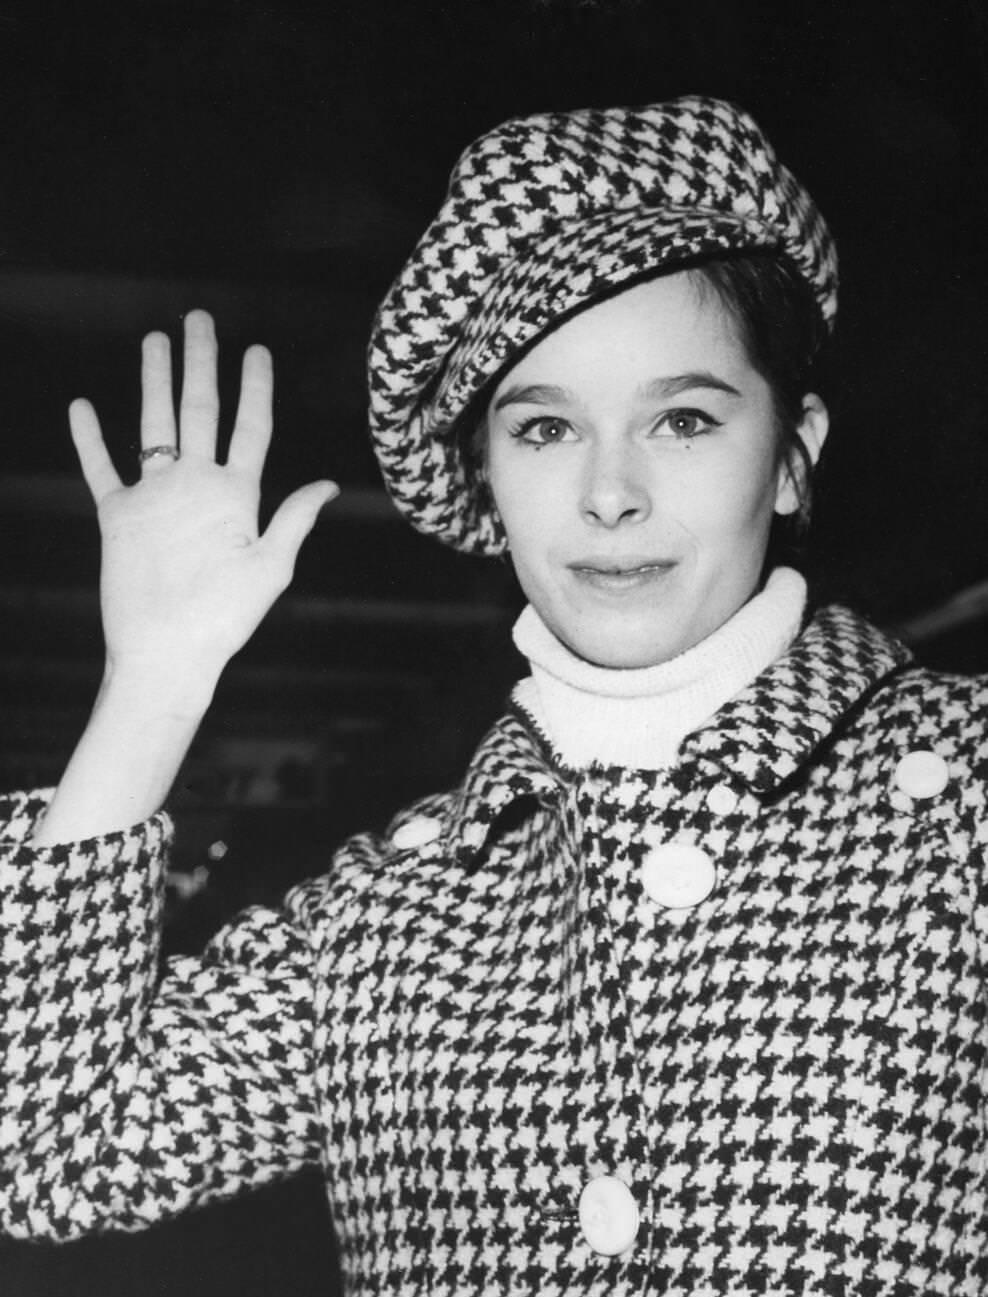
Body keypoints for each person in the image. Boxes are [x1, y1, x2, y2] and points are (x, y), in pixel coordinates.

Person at [1, 94, 986, 1297]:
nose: (608, 494)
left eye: (681, 419)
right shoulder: (385, 917)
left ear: (792, 453)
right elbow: (50, 1152)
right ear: (485, 477)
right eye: (543, 428)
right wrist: (151, 684)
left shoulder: (961, 799)